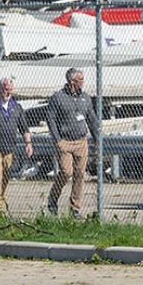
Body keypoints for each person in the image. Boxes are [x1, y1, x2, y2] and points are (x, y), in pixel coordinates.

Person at [0, 77, 32, 218]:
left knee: (5, 177)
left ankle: (0, 201)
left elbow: (24, 128)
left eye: (9, 90)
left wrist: (28, 144)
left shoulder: (16, 106)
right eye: (4, 89)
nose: (7, 92)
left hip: (9, 148)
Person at [46, 67, 94, 217]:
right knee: (66, 172)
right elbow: (50, 119)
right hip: (64, 142)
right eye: (80, 80)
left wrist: (97, 138)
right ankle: (53, 199)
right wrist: (57, 140)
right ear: (72, 81)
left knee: (80, 174)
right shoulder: (58, 97)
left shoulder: (85, 97)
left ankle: (75, 208)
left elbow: (91, 119)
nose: (83, 82)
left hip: (81, 141)